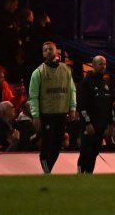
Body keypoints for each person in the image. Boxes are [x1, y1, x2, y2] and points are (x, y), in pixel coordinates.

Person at [28, 39, 77, 173]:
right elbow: (33, 96)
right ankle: (47, 171)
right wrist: (35, 115)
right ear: (43, 54)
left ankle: (48, 170)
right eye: (45, 50)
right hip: (47, 114)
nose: (48, 51)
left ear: (56, 51)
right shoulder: (38, 72)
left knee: (58, 143)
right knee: (47, 142)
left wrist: (72, 108)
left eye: (51, 49)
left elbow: (72, 90)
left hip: (61, 112)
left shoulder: (66, 70)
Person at [76, 54, 111, 173]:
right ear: (93, 65)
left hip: (101, 126)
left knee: (95, 152)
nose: (103, 66)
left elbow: (108, 105)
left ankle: (89, 175)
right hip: (89, 125)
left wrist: (109, 124)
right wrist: (87, 123)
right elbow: (81, 105)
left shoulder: (105, 83)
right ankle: (80, 174)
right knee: (85, 151)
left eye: (105, 64)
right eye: (100, 64)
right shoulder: (85, 82)